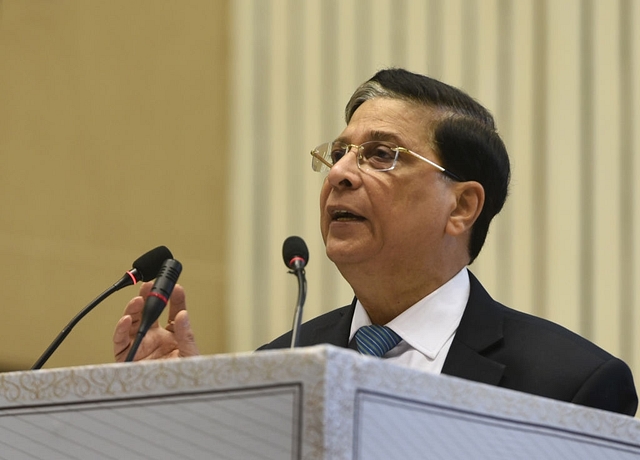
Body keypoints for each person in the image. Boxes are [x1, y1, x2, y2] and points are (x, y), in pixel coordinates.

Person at [113, 68, 638, 416]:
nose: (339, 172)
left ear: (461, 207)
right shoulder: (280, 364)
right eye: (339, 152)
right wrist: (186, 412)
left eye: (381, 154)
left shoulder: (569, 387)